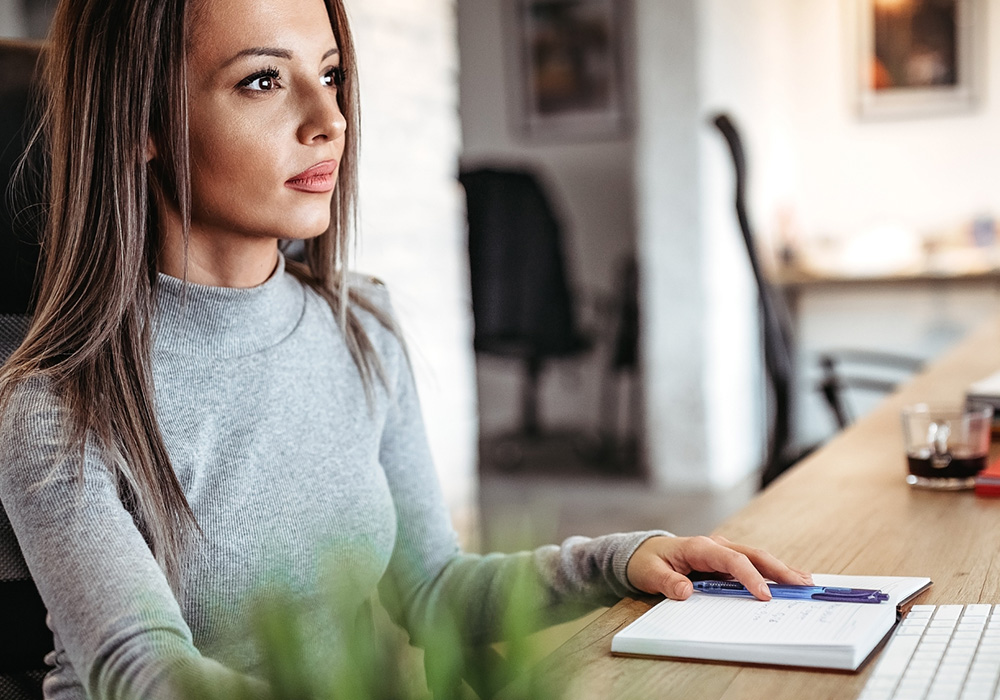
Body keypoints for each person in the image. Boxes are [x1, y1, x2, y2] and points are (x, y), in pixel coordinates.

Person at [0, 0, 812, 698]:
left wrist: (624, 558)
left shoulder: (362, 329)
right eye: (262, 79)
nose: (329, 120)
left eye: (331, 74)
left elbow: (432, 588)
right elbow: (137, 669)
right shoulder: (56, 401)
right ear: (139, 121)